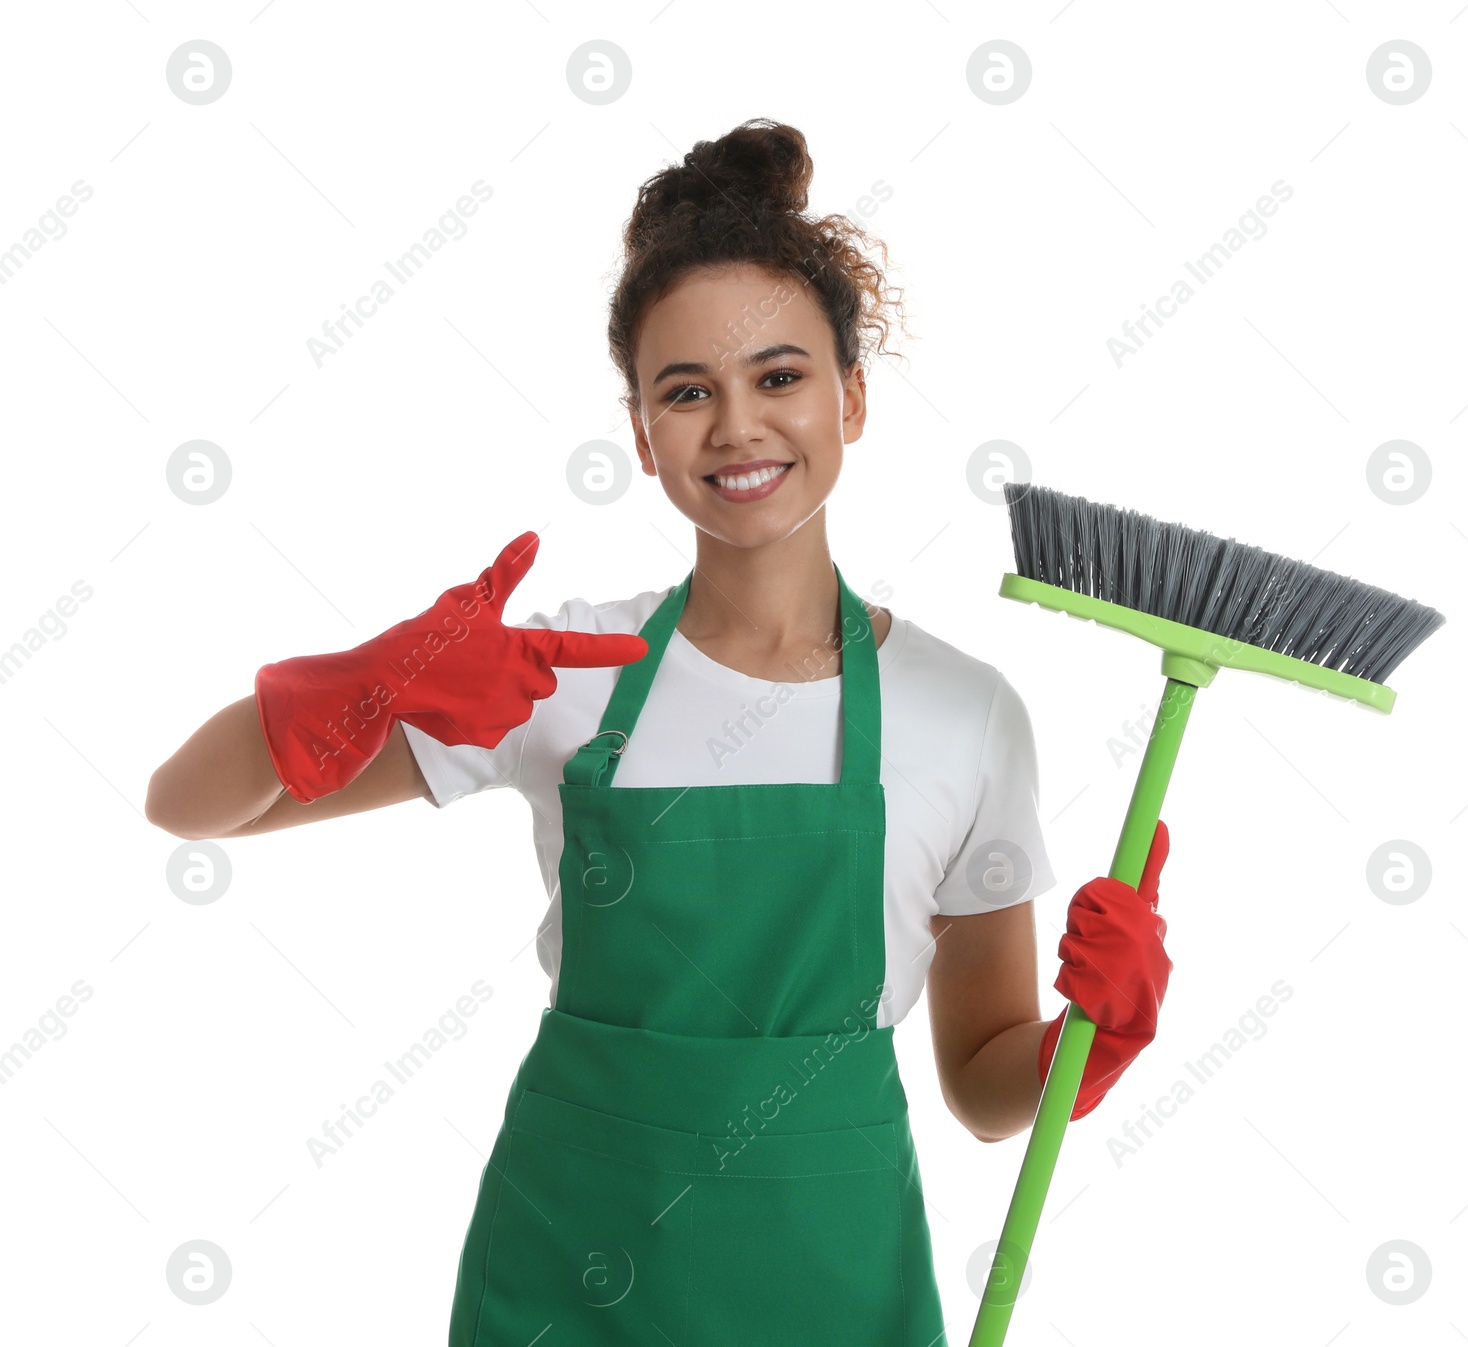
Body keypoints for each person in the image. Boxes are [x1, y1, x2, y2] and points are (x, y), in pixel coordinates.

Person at [145, 117, 1173, 1347]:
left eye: (780, 377)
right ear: (641, 434)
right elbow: (188, 805)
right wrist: (366, 681)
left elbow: (985, 1089)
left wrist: (1090, 1042)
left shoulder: (966, 714)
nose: (737, 426)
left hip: (830, 1286)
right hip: (568, 1272)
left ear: (850, 397)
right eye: (687, 392)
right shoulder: (559, 673)